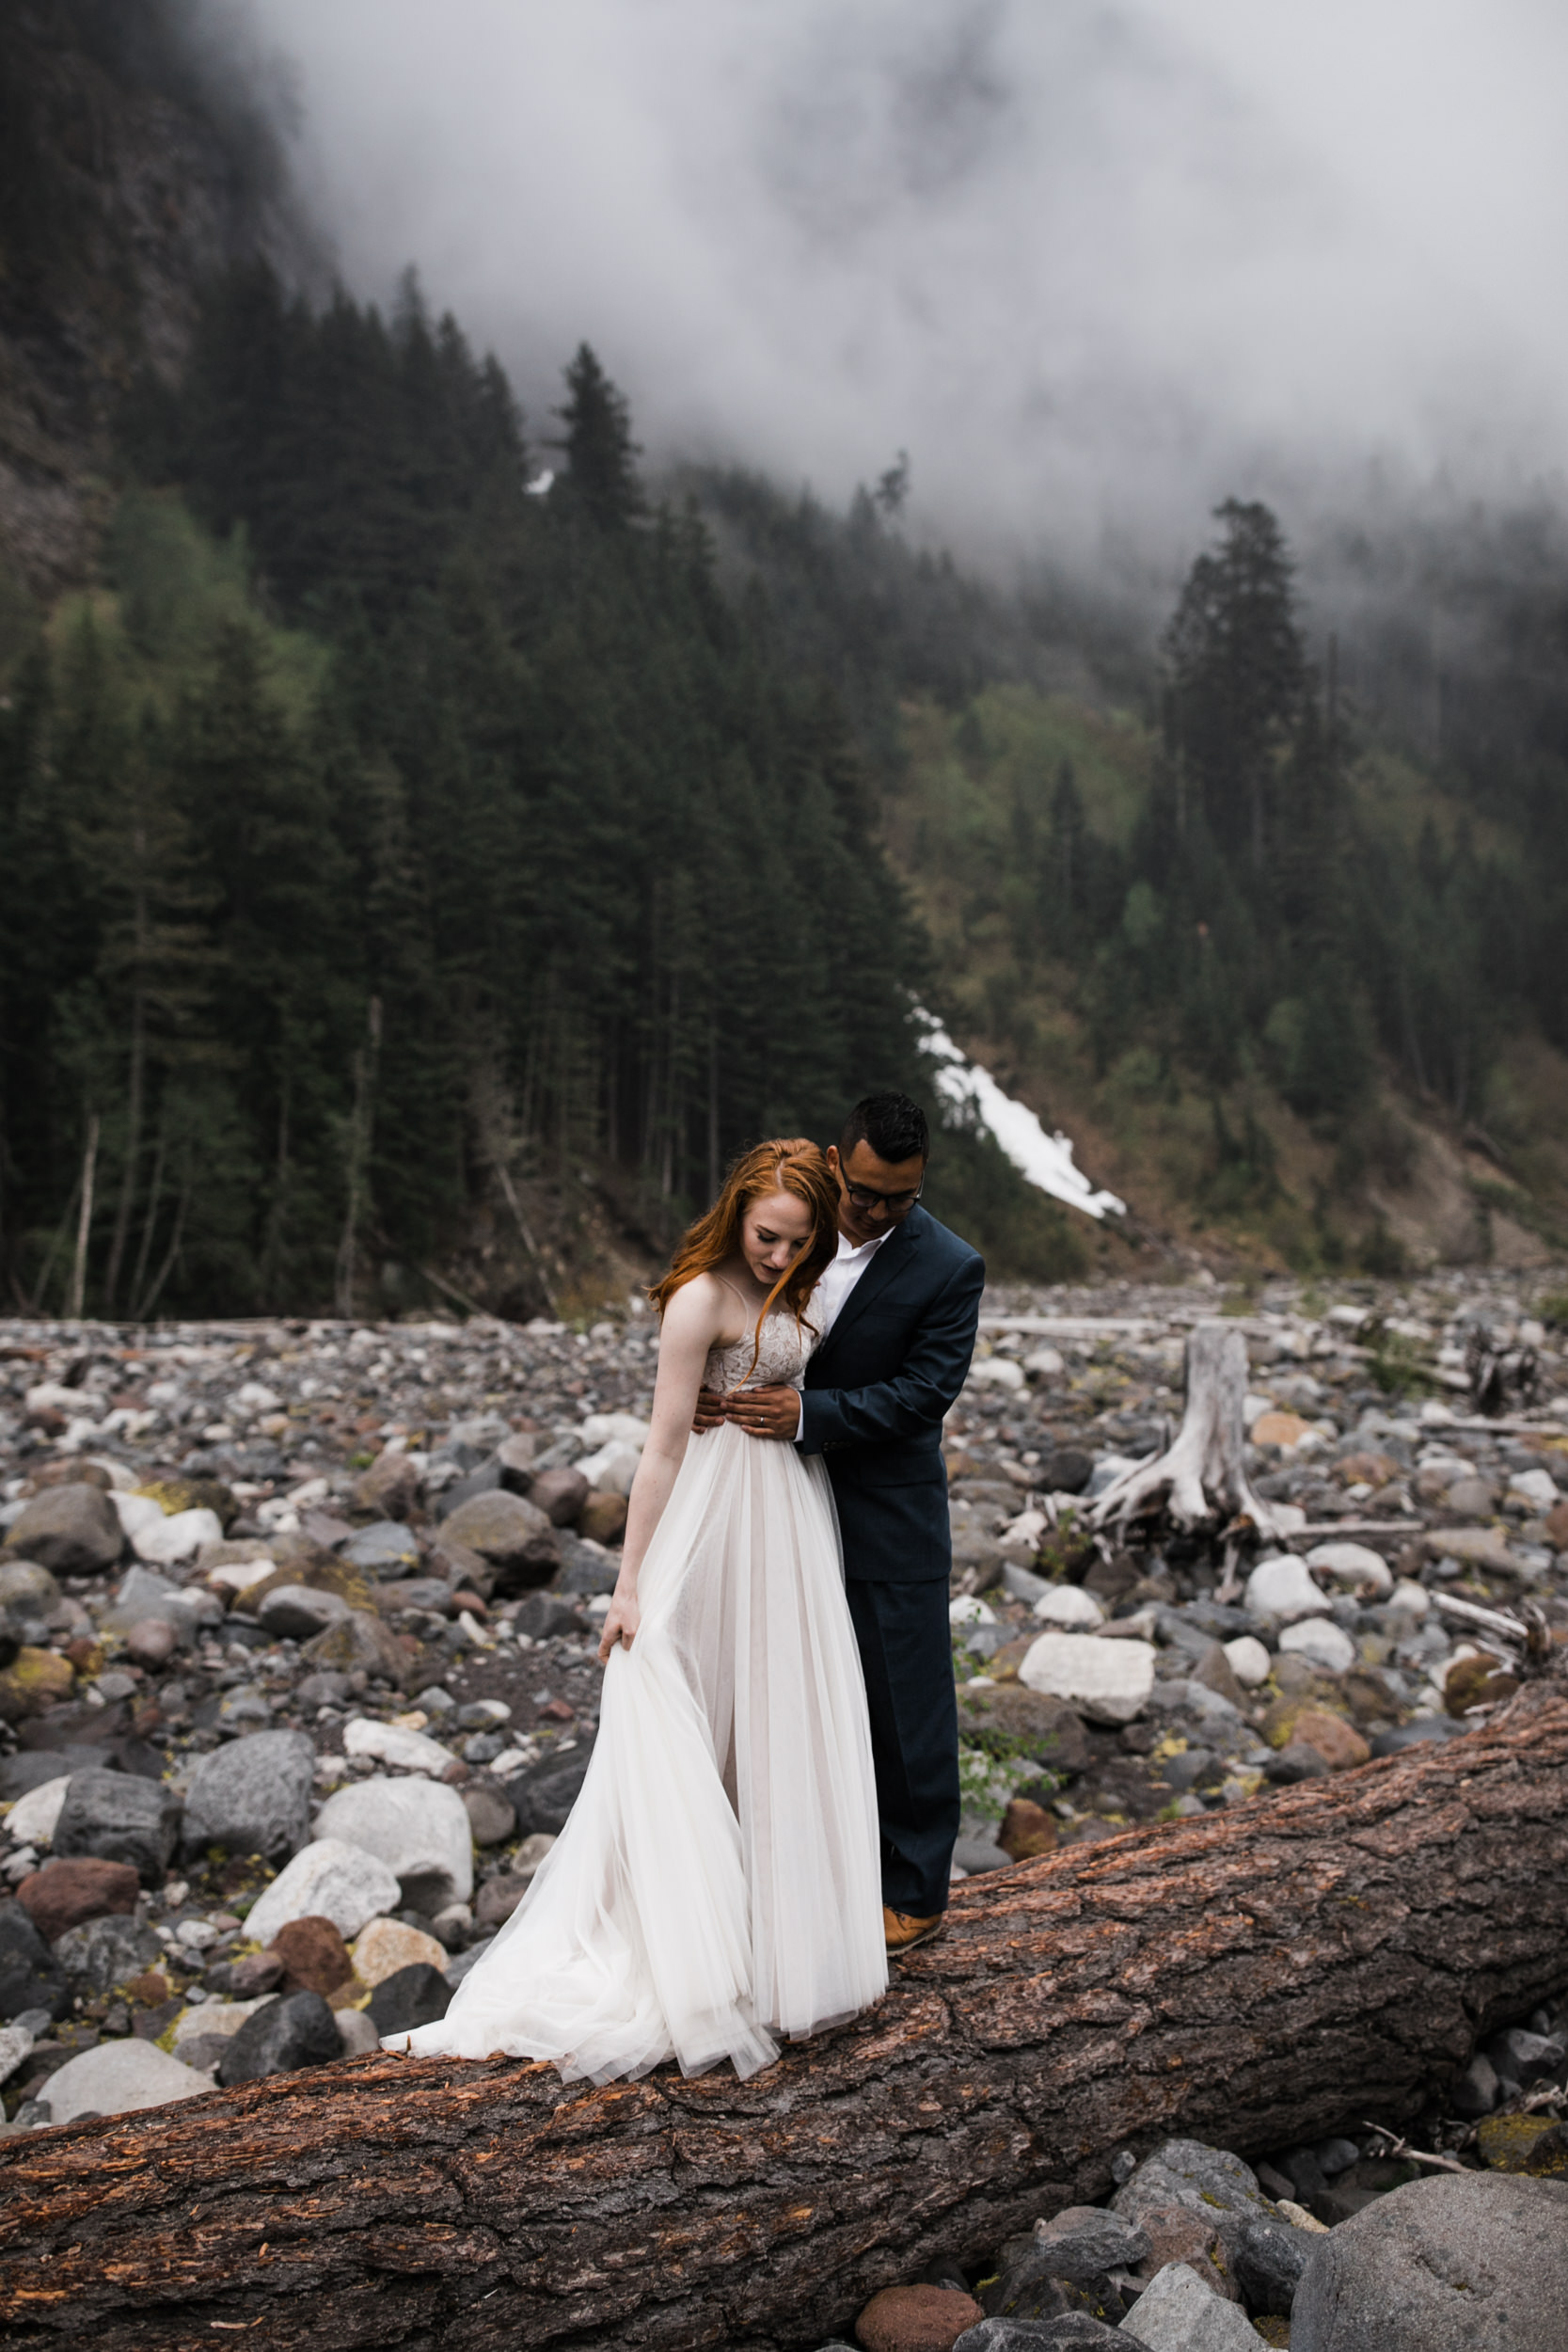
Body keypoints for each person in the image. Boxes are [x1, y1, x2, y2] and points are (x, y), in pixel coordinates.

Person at [390, 1138, 887, 2085]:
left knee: (774, 1711)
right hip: (711, 1508)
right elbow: (658, 1449)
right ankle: (686, 1949)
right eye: (764, 1236)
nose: (776, 1258)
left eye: (795, 1241)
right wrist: (628, 1586)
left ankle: (780, 1947)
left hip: (784, 1513)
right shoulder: (700, 1296)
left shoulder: (805, 1282)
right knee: (681, 1692)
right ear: (736, 1212)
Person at [705, 1092, 984, 1955]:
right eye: (863, 1192)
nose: (875, 1212)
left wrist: (802, 1414)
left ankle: (915, 1890)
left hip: (884, 1511)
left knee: (905, 1705)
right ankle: (792, 1874)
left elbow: (922, 1396)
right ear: (837, 1162)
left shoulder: (948, 1266)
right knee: (787, 1692)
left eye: (898, 1198)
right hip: (771, 1505)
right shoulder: (796, 1225)